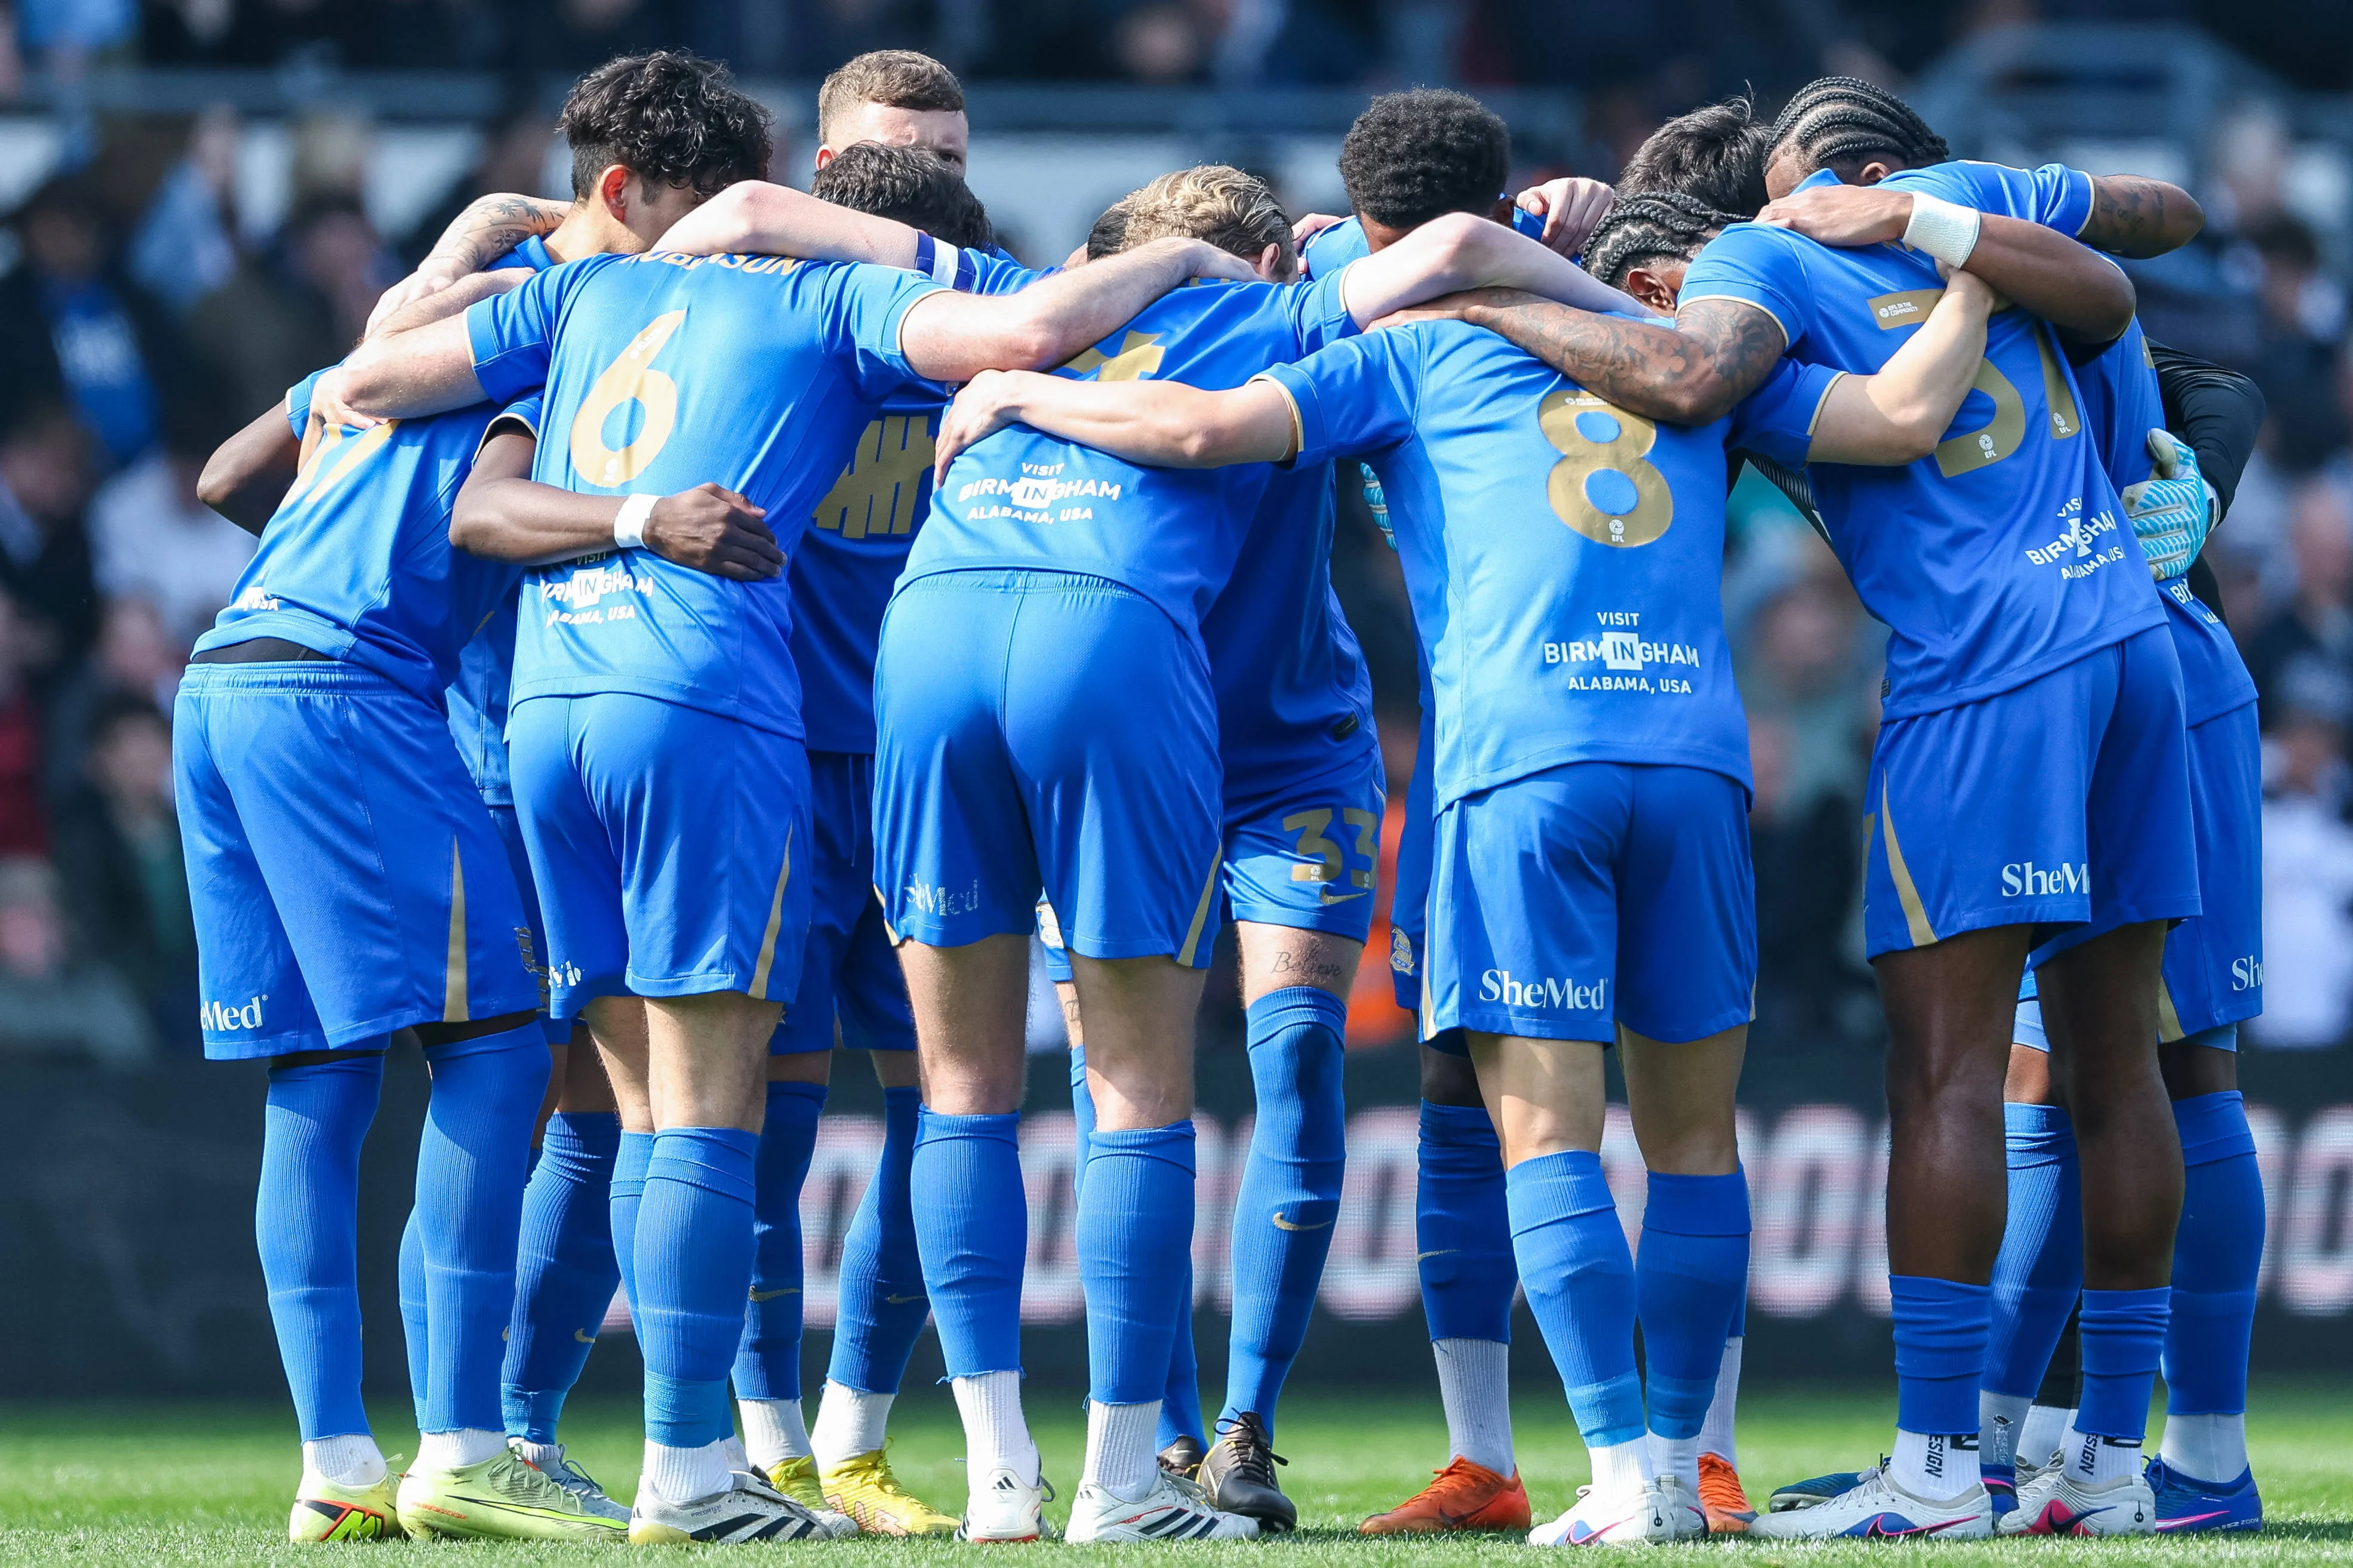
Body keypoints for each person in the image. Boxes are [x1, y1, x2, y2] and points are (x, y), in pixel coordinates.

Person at [928, 188, 2000, 1546]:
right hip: (1692, 765)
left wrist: (1028, 394)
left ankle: (1611, 1476)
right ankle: (1685, 1468)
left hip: (1517, 767)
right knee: (1691, 1146)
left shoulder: (1434, 343)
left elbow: (1203, 422)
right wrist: (1980, 272)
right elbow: (1900, 418)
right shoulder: (1718, 376)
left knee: (1537, 1128)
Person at [338, 158, 1262, 1544]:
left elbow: (368, 383)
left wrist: (468, 237)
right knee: (711, 1111)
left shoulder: (588, 289)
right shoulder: (833, 304)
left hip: (549, 703)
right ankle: (697, 1477)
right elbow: (1020, 337)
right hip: (700, 699)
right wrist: (1187, 264)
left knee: (637, 1112)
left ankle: (555, 1442)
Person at [1369, 74, 2188, 1540]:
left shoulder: (1767, 266)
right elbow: (2136, 271)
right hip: (2138, 647)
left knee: (1945, 1073)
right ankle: (2110, 1463)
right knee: (2115, 1066)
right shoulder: (2000, 234)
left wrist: (1489, 290)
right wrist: (1946, 237)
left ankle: (1935, 1470)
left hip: (1981, 678)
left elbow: (1729, 386)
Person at [860, 159, 1643, 1545]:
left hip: (1279, 735)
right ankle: (1148, 1441)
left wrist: (1534, 205)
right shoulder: (1260, 308)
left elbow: (1427, 223)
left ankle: (1236, 1429)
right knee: (1128, 1077)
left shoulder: (1053, 324)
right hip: (1127, 691)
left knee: (1276, 1053)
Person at [182, 48, 776, 1546]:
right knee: (501, 1046)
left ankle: (337, 1465)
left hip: (225, 673)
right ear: (625, 200)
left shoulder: (433, 325)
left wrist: (414, 300)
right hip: (349, 694)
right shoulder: (561, 324)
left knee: (318, 1077)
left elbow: (223, 474)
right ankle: (465, 1440)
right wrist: (636, 523)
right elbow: (481, 509)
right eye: (701, 218)